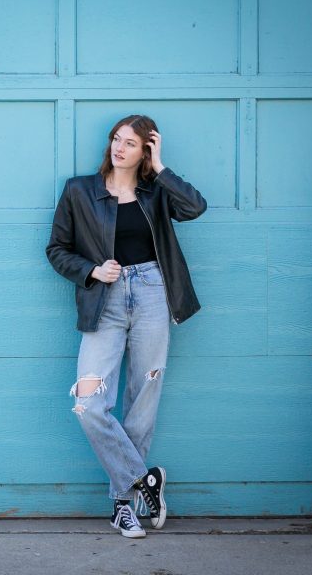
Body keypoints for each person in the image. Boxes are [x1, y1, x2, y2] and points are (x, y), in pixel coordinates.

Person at [45, 115, 207, 538]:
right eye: (117, 139)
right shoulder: (79, 190)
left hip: (154, 293)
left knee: (142, 401)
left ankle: (123, 504)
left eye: (132, 143)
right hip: (105, 301)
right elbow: (56, 249)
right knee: (89, 404)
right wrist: (93, 271)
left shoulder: (156, 193)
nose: (120, 148)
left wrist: (162, 166)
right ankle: (143, 479)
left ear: (145, 150)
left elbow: (195, 207)